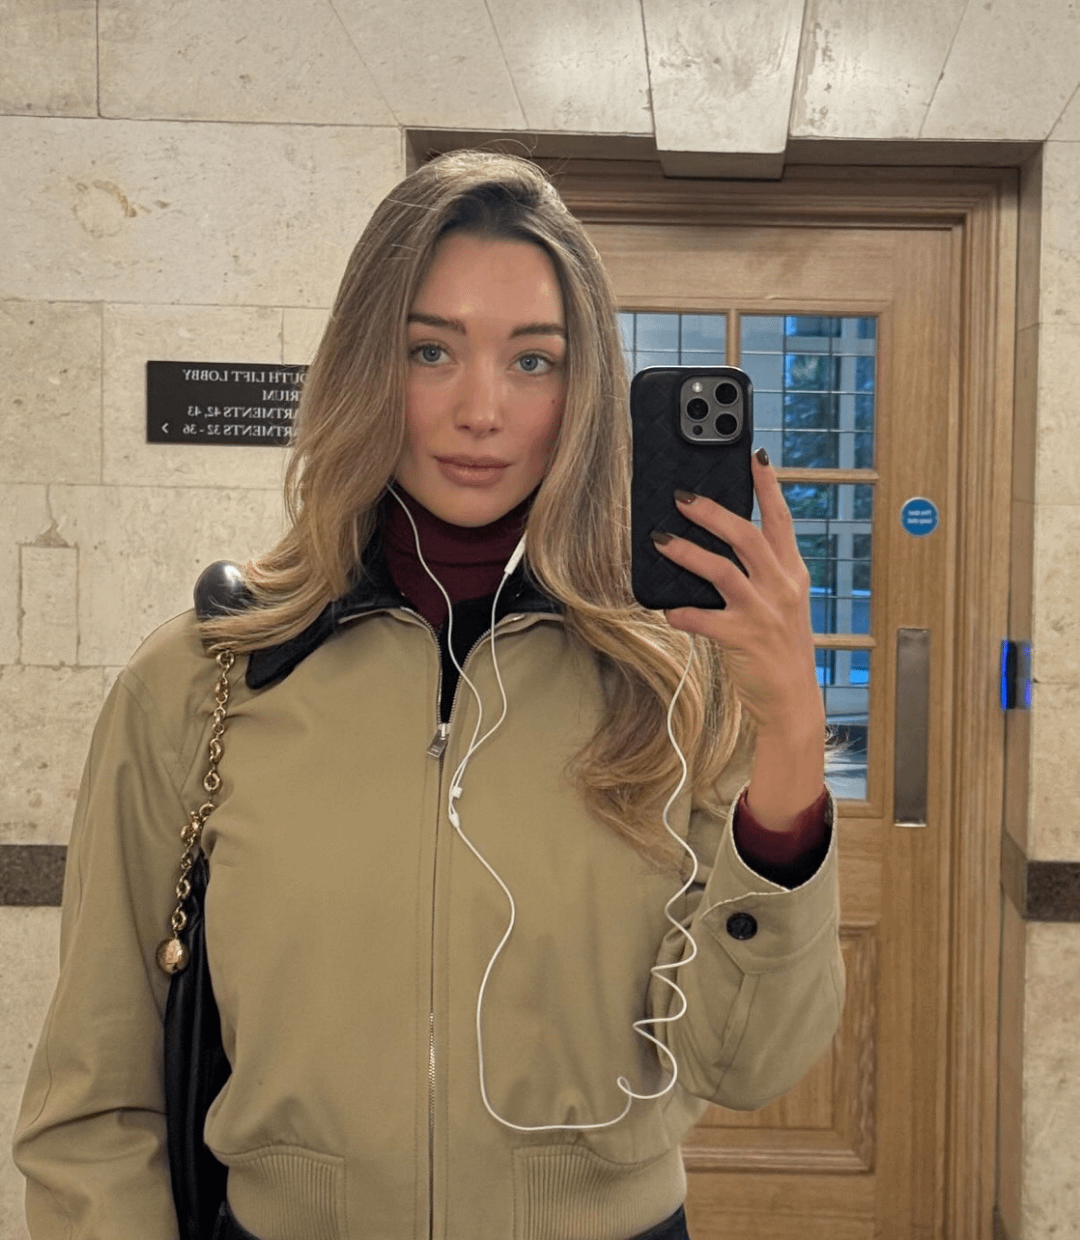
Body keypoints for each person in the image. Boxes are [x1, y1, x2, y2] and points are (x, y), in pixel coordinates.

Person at [14, 151, 843, 1240]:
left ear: (585, 391)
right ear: (365, 363)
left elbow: (746, 1063)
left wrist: (790, 738)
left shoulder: (681, 683)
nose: (481, 409)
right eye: (431, 350)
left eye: (533, 360)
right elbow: (92, 1106)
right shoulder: (199, 680)